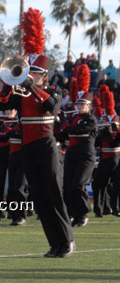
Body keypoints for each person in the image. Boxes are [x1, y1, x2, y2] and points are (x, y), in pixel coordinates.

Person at [0, 53, 75, 258]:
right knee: (39, 198)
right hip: (27, 148)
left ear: (45, 75)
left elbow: (52, 106)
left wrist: (32, 87)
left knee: (54, 195)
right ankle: (54, 243)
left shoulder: (53, 91)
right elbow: (0, 104)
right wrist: (7, 84)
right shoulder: (21, 95)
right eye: (30, 72)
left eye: (36, 73)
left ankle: (67, 240)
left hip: (47, 147)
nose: (31, 76)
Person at [61, 65, 98, 227]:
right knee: (68, 186)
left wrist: (68, 128)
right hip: (71, 154)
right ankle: (72, 214)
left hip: (85, 156)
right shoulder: (73, 118)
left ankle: (83, 213)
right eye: (78, 104)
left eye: (83, 105)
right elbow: (65, 132)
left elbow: (78, 130)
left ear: (89, 106)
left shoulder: (91, 120)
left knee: (78, 184)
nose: (80, 107)